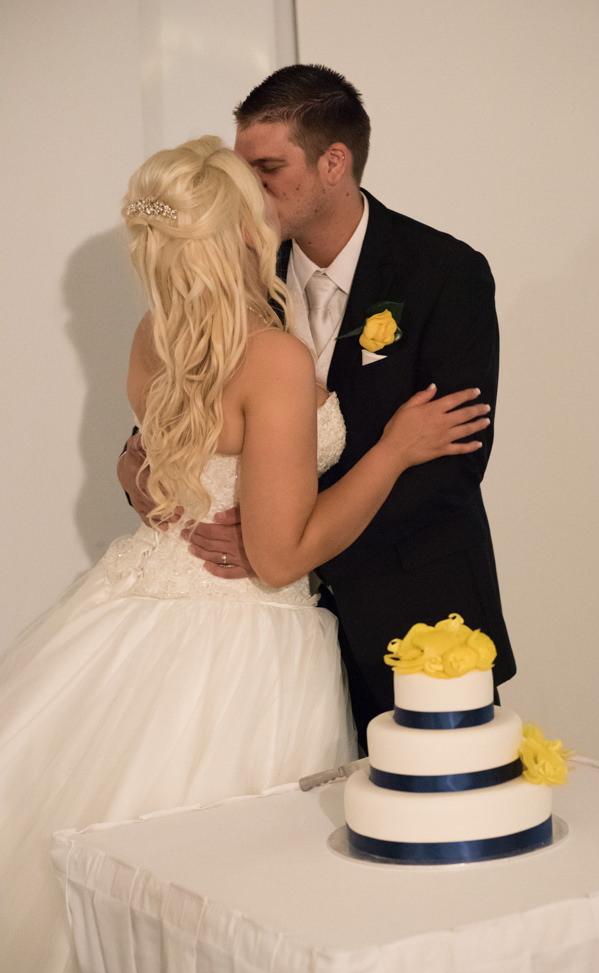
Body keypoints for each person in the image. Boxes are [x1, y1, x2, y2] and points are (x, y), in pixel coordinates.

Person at [0, 137, 490, 973]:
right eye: (254, 195)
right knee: (238, 896)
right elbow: (278, 554)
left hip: (133, 610)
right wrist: (394, 450)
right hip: (239, 639)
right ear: (237, 232)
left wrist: (148, 481)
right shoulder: (272, 358)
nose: (271, 206)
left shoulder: (154, 335)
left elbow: (155, 466)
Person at [120, 65, 517, 744]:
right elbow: (164, 433)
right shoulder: (230, 272)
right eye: (241, 171)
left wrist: (285, 545)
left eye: (268, 168)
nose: (248, 189)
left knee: (426, 828)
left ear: (336, 162)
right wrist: (161, 487)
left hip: (408, 612)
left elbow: (449, 468)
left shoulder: (443, 274)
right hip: (252, 629)